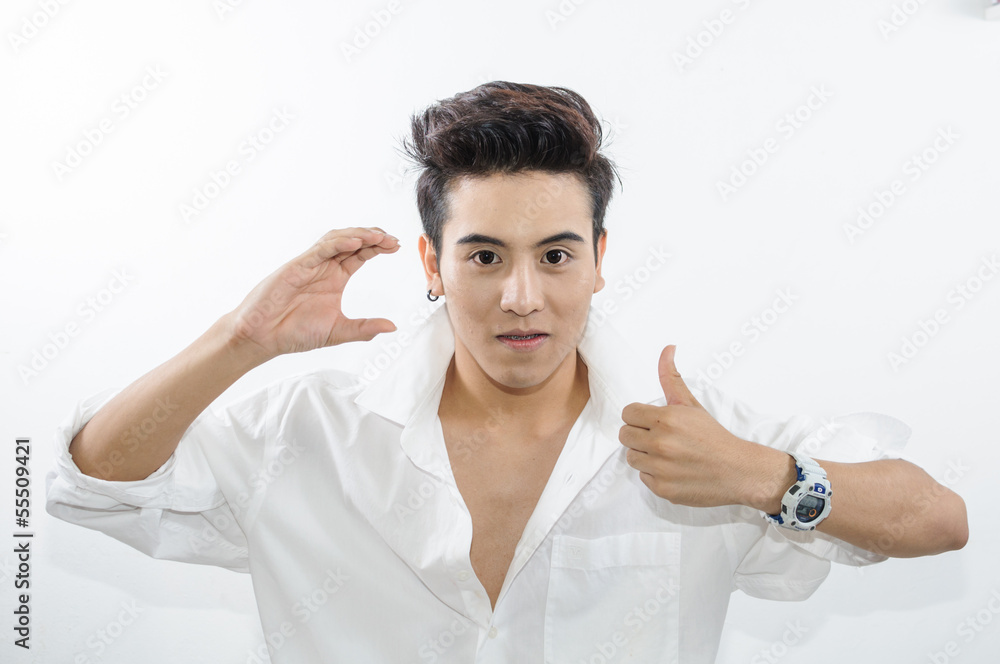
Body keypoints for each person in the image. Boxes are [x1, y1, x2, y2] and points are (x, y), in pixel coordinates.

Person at [46, 81, 968, 663]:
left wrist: (764, 478)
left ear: (599, 259)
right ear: (432, 263)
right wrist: (240, 339)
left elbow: (937, 519)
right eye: (484, 256)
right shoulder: (313, 426)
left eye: (556, 255)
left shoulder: (698, 438)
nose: (522, 296)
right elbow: (93, 484)